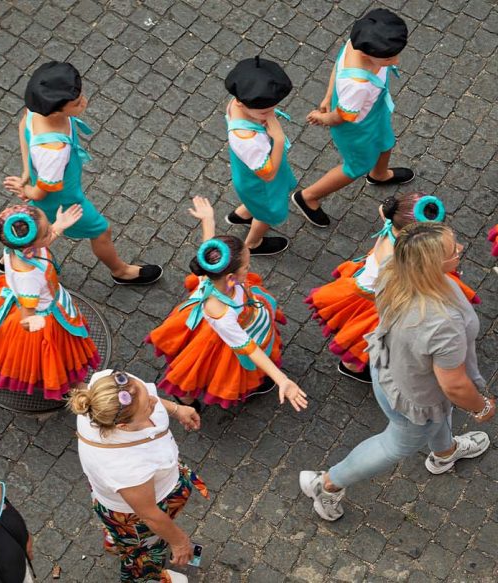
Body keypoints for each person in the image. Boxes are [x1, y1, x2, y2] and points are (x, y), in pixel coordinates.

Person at [300, 223, 494, 521]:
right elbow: (454, 386)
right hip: (417, 396)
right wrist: (481, 407)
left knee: (435, 420)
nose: (461, 248)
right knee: (393, 444)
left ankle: (445, 453)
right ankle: (326, 485)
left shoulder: (393, 268)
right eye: (452, 248)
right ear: (430, 265)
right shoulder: (442, 324)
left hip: (389, 368)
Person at [2, 61, 163, 286]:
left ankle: (14, 252)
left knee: (35, 223)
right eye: (77, 103)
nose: (84, 102)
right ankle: (121, 271)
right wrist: (26, 188)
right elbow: (41, 193)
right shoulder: (53, 150)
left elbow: (23, 126)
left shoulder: (37, 109)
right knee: (101, 230)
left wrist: (27, 170)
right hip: (64, 201)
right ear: (56, 110)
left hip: (50, 189)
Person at [146, 197, 308, 411]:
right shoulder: (221, 313)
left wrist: (208, 221)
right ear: (231, 277)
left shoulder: (211, 274)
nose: (249, 270)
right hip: (227, 338)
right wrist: (281, 379)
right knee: (209, 372)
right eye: (246, 267)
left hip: (244, 317)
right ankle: (185, 399)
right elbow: (248, 347)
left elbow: (208, 247)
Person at [306, 194, 478, 383]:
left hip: (373, 286)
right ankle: (353, 367)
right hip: (377, 301)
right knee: (365, 339)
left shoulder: (393, 221)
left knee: (362, 337)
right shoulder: (397, 262)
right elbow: (409, 288)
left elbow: (383, 210)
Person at [68, 369, 205, 583]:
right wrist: (179, 542)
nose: (153, 399)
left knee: (127, 537)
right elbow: (149, 514)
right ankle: (145, 577)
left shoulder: (107, 391)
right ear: (123, 425)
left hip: (116, 495)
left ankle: (116, 538)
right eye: (147, 406)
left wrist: (175, 409)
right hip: (134, 516)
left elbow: (145, 397)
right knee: (144, 556)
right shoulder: (125, 467)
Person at [0, 203, 100, 400]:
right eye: (48, 232)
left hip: (36, 299)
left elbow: (41, 243)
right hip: (41, 316)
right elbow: (27, 316)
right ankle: (70, 387)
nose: (52, 231)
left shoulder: (16, 246)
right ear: (30, 244)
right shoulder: (29, 277)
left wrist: (58, 226)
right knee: (52, 360)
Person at [294, 8, 411, 227]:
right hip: (356, 127)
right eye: (389, 57)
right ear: (368, 54)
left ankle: (379, 174)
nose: (396, 60)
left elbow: (338, 65)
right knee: (355, 166)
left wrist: (329, 94)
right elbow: (341, 117)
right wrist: (324, 118)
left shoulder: (356, 42)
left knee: (386, 142)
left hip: (372, 113)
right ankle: (308, 197)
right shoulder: (358, 85)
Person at [222, 56, 295, 256]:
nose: (271, 115)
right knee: (268, 213)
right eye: (265, 112)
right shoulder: (247, 139)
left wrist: (263, 117)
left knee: (257, 204)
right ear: (241, 103)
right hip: (261, 183)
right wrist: (278, 139)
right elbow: (269, 175)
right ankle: (253, 244)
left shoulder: (238, 102)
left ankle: (243, 214)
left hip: (248, 174)